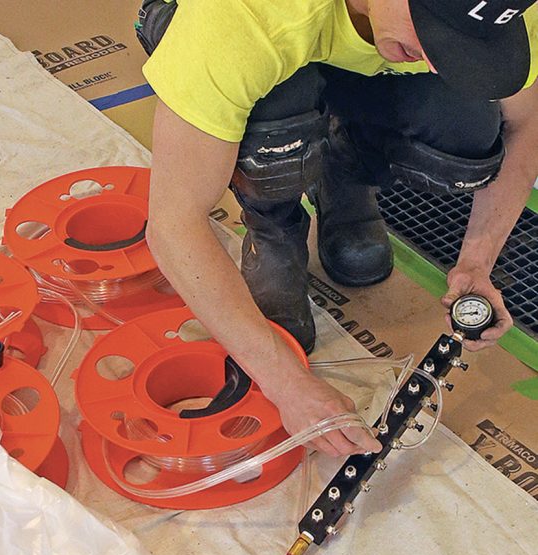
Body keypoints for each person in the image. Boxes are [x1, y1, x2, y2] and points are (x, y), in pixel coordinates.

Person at [136, 0, 538, 457]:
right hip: (260, 44)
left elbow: (525, 124)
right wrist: (285, 382)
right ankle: (273, 227)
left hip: (345, 50)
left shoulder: (508, 8)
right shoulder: (242, 15)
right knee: (275, 111)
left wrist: (476, 265)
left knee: (468, 118)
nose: (436, 59)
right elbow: (173, 222)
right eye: (434, 31)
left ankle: (344, 173)